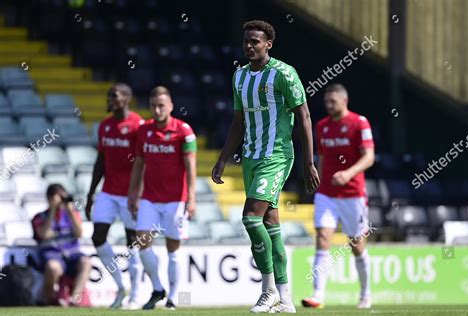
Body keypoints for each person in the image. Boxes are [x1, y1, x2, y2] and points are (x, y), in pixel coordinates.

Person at [211, 20, 320, 313]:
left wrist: (309, 162)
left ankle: (267, 290)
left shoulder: (284, 74)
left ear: (268, 44)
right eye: (246, 41)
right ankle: (286, 300)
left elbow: (305, 116)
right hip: (250, 157)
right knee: (271, 226)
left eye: (255, 41)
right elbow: (238, 122)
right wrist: (222, 159)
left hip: (276, 156)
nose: (249, 46)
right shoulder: (239, 77)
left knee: (250, 218)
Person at [301, 83, 375, 309]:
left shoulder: (359, 123)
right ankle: (318, 296)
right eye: (326, 102)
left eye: (333, 102)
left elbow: (369, 157)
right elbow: (322, 159)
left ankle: (365, 294)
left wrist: (348, 173)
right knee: (322, 238)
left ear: (344, 101)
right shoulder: (322, 126)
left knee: (357, 244)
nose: (329, 106)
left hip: (353, 195)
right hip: (327, 195)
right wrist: (318, 182)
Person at [128, 85, 197, 310]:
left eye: (161, 106)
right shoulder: (144, 130)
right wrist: (133, 193)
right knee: (141, 242)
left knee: (173, 249)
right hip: (149, 197)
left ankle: (173, 297)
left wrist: (192, 197)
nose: (157, 110)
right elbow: (139, 163)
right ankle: (158, 288)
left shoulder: (184, 131)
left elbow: (191, 165)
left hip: (176, 200)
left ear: (171, 107)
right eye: (153, 106)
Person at [85, 83, 143, 309]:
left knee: (133, 244)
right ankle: (120, 287)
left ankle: (136, 294)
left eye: (115, 95)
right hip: (108, 193)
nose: (110, 99)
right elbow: (100, 162)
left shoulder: (138, 125)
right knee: (98, 237)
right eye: (109, 95)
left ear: (127, 99)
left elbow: (143, 162)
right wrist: (90, 194)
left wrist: (137, 194)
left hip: (130, 194)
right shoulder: (105, 126)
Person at [32, 184, 91, 306]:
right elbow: (44, 234)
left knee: (86, 262)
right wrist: (53, 210)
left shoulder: (71, 214)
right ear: (49, 198)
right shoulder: (39, 217)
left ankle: (75, 299)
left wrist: (70, 211)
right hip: (52, 255)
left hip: (73, 254)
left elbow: (79, 232)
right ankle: (48, 299)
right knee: (53, 267)